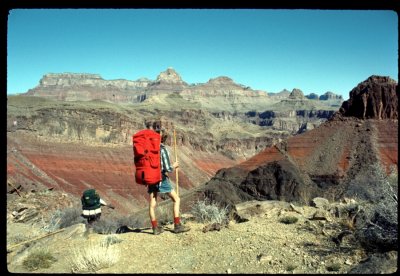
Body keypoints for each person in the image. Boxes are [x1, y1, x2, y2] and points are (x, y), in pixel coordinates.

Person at [147, 130, 190, 235]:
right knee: (176, 199)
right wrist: (174, 166)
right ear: (163, 139)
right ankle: (177, 225)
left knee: (152, 204)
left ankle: (155, 228)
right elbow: (167, 168)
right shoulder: (162, 150)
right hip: (161, 179)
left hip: (151, 178)